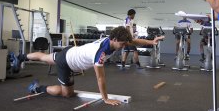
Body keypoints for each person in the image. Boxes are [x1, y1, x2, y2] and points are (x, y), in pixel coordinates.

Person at [17, 26, 164, 106]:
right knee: (67, 94)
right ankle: (37, 88)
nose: (124, 46)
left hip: (71, 52)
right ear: (113, 39)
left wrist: (151, 42)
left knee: (45, 58)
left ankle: (20, 57)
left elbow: (135, 41)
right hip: (67, 63)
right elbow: (100, 78)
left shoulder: (116, 40)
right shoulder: (100, 52)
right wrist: (105, 98)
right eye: (122, 44)